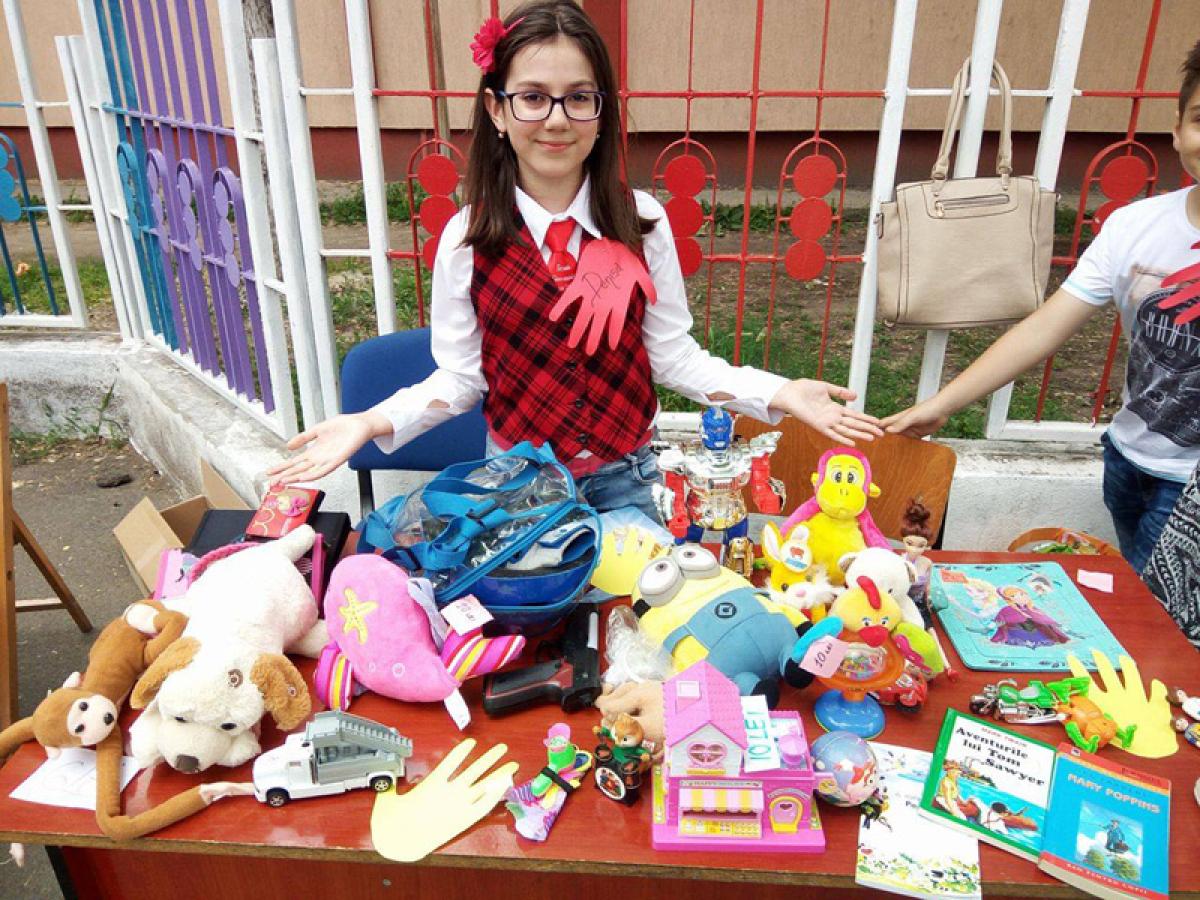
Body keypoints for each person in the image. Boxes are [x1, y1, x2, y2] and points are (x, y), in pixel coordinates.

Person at [266, 1, 880, 520]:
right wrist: (370, 423)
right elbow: (460, 379)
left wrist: (782, 393)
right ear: (496, 110)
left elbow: (674, 357)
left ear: (601, 109)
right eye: (533, 97)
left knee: (633, 615)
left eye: (578, 97)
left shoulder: (641, 222)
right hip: (517, 482)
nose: (557, 120)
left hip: (627, 480)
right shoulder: (466, 239)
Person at [884, 39, 1200, 575]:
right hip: (1129, 458)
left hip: (1190, 484)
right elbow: (1046, 326)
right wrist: (941, 405)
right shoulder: (1135, 227)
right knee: (1142, 598)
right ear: (1176, 129)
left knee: (1156, 611)